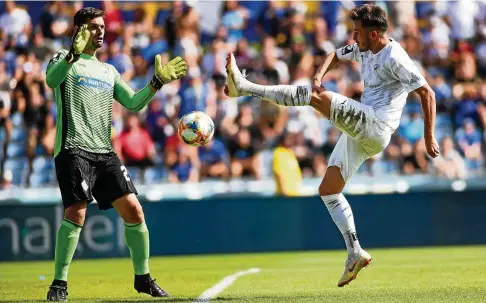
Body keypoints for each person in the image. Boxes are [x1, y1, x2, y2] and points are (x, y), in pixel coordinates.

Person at [225, 4, 439, 287]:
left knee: (314, 99)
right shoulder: (363, 47)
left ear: (374, 34)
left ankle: (246, 88)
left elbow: (427, 93)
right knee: (328, 189)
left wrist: (429, 136)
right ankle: (355, 253)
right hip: (365, 130)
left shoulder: (395, 57)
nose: (354, 37)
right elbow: (334, 55)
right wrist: (318, 76)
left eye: (358, 32)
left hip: (376, 125)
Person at [44, 7, 187, 301]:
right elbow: (51, 81)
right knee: (77, 212)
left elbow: (133, 104)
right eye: (93, 26)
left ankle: (143, 278)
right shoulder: (63, 59)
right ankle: (58, 284)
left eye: (102, 26)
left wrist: (156, 83)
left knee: (134, 210)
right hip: (73, 148)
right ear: (79, 30)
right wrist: (72, 54)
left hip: (104, 152)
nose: (100, 31)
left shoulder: (108, 71)